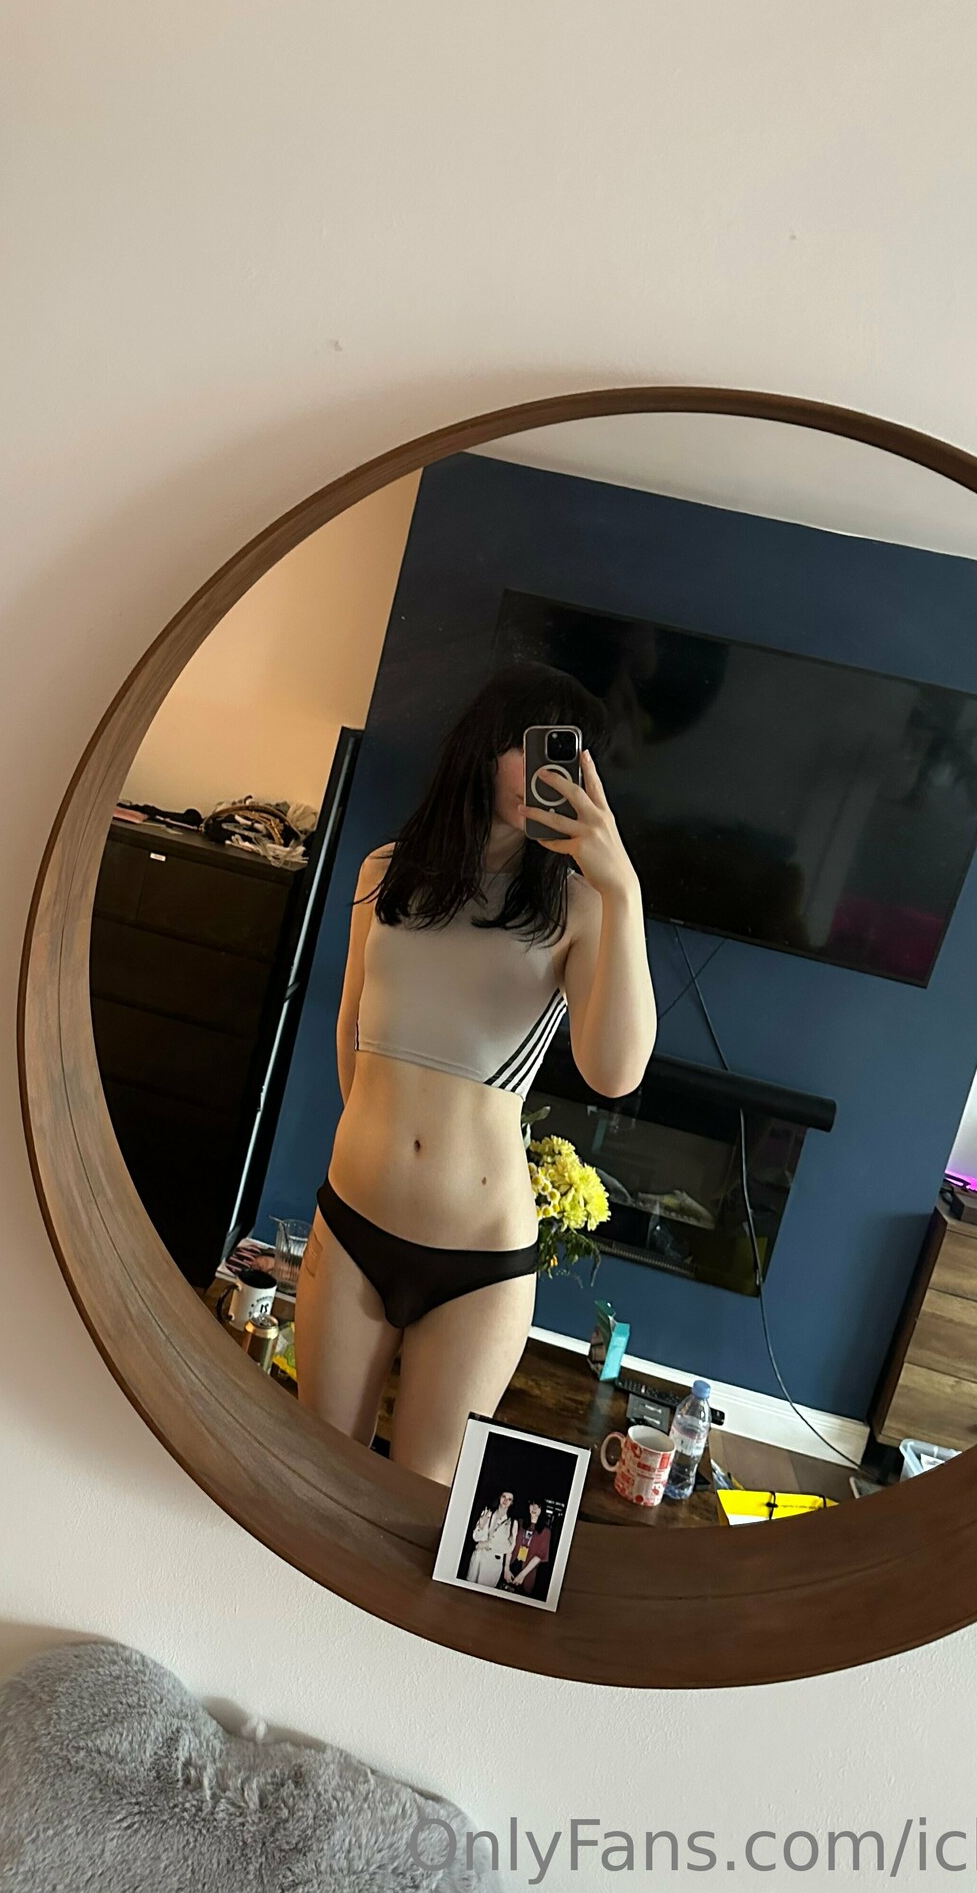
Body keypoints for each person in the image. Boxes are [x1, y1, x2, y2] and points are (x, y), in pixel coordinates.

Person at [294, 662, 658, 1484]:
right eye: (536, 747)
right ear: (486, 745)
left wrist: (623, 891)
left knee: (422, 1493)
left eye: (570, 758)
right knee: (317, 1470)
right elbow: (350, 1029)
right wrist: (383, 1155)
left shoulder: (580, 909)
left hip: (481, 1265)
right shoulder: (385, 875)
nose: (551, 775)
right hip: (351, 1226)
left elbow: (615, 1074)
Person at [465, 1490, 518, 1587]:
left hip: (492, 1564)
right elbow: (476, 1537)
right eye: (504, 1497)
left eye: (509, 1499)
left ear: (512, 1503)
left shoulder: (512, 1523)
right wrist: (481, 1525)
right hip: (478, 1559)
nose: (505, 1500)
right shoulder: (487, 1513)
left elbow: (509, 1547)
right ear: (500, 1497)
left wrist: (488, 1544)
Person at [503, 1499, 553, 1597]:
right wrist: (506, 1568)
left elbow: (540, 1556)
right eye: (532, 1505)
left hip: (527, 1572)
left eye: (538, 1506)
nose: (534, 1508)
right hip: (512, 1565)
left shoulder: (546, 1531)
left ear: (542, 1510)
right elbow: (510, 1545)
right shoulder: (519, 1522)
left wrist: (522, 1575)